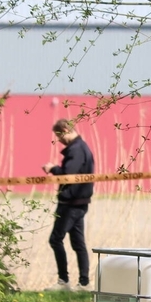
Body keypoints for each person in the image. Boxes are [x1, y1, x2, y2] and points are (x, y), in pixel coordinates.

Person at [42, 119, 94, 290]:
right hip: (79, 202)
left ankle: (63, 281)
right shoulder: (82, 147)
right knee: (78, 244)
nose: (59, 140)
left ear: (65, 130)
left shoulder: (76, 149)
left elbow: (67, 174)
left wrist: (52, 169)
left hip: (70, 203)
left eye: (58, 136)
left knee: (55, 239)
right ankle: (84, 283)